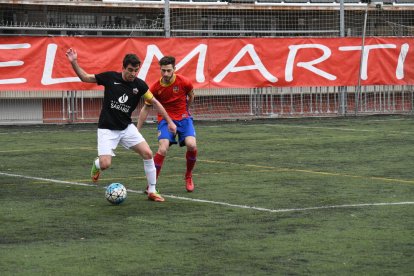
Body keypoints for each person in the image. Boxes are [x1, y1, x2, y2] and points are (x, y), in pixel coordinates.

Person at [66, 48, 176, 202]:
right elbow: (85, 77)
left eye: (136, 71)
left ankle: (152, 190)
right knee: (105, 164)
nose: (133, 74)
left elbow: (155, 103)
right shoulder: (110, 78)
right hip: (107, 129)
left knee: (148, 153)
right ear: (123, 68)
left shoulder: (140, 85)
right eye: (130, 70)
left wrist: (170, 122)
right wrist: (74, 62)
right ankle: (97, 164)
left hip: (126, 128)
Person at [138, 56, 197, 192]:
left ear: (174, 69)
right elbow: (145, 108)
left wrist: (186, 110)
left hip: (183, 118)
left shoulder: (184, 82)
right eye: (163, 70)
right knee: (163, 149)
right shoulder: (155, 87)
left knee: (191, 144)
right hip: (165, 120)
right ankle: (152, 184)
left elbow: (191, 95)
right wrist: (137, 129)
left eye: (168, 70)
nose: (165, 74)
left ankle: (188, 176)